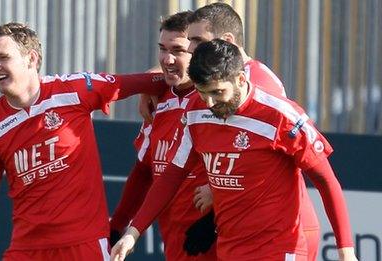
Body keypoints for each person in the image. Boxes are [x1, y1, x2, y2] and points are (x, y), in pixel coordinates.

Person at [111, 40, 358, 261]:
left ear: (241, 79)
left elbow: (326, 181)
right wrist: (133, 233)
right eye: (202, 93)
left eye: (218, 93)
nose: (210, 103)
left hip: (277, 249)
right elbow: (172, 174)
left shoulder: (281, 117)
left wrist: (345, 250)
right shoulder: (196, 111)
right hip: (229, 249)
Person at [0, 22, 168, 261]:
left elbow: (147, 81)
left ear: (31, 58)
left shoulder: (74, 90)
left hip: (85, 245)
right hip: (26, 250)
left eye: (3, 57)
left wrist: (154, 79)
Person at [185, 4, 322, 260]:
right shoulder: (221, 83)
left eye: (197, 40)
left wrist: (217, 193)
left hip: (285, 230)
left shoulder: (257, 85)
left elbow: (257, 159)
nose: (190, 48)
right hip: (252, 232)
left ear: (227, 41)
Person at [109, 11, 216, 260]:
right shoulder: (159, 101)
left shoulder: (214, 101)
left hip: (214, 240)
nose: (167, 59)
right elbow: (145, 170)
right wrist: (118, 225)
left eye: (177, 50)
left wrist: (214, 216)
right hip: (174, 241)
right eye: (162, 49)